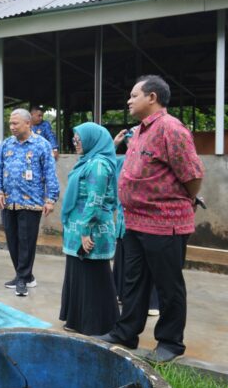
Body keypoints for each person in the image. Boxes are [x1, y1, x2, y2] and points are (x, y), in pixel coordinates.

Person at [95, 75, 204, 364]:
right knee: (133, 282)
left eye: (134, 95)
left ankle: (170, 342)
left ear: (152, 97)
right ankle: (126, 332)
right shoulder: (141, 131)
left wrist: (187, 200)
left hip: (164, 222)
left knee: (168, 285)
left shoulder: (171, 129)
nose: (129, 100)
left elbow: (193, 175)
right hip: (135, 222)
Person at [59, 122, 120, 336]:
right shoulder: (87, 161)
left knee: (94, 276)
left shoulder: (98, 165)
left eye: (79, 139)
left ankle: (97, 323)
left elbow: (95, 200)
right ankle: (77, 319)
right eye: (74, 139)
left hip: (92, 229)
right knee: (78, 274)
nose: (76, 143)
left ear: (92, 140)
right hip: (78, 228)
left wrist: (85, 231)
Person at [0, 109, 60, 296]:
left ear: (28, 123)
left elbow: (50, 174)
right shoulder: (6, 144)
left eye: (15, 123)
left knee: (26, 241)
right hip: (8, 201)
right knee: (12, 241)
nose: (12, 127)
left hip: (31, 202)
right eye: (10, 124)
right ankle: (26, 276)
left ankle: (22, 278)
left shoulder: (41, 145)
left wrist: (50, 199)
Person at [113, 128, 160, 317]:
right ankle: (123, 295)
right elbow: (105, 160)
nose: (130, 143)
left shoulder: (151, 161)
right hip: (124, 223)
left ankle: (152, 302)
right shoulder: (121, 162)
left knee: (149, 263)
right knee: (126, 262)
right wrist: (114, 144)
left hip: (147, 222)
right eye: (128, 140)